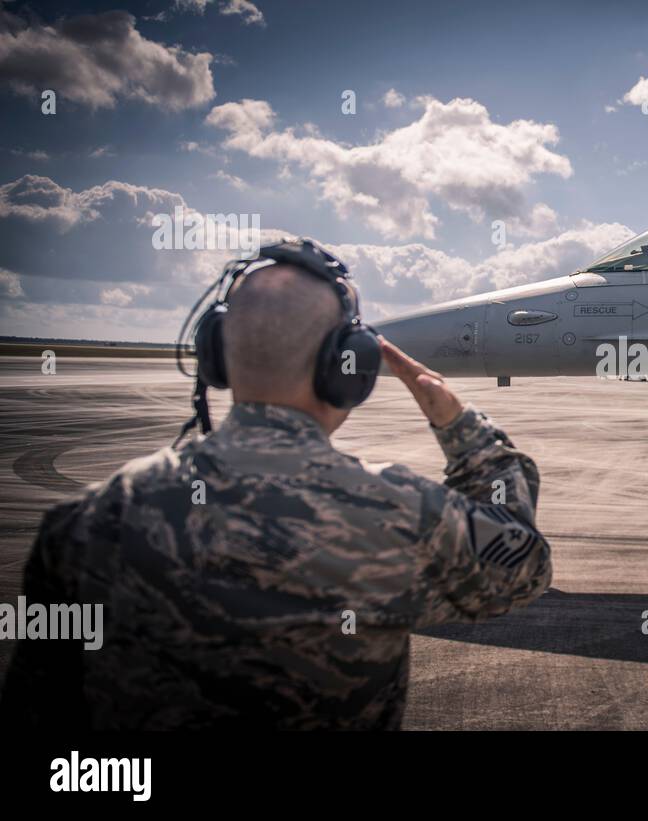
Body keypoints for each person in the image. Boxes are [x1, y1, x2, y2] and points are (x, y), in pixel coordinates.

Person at [0, 248, 552, 730]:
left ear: (215, 357)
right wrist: (459, 424)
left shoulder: (85, 522)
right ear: (348, 367)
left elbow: (37, 711)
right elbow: (520, 565)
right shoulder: (403, 515)